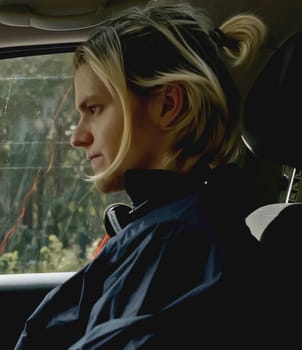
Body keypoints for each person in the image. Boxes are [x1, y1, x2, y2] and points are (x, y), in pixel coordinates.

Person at [14, 1, 270, 349]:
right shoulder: (166, 226)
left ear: (168, 105)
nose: (77, 137)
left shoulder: (178, 242)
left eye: (94, 109)